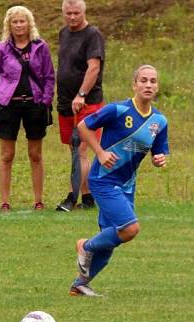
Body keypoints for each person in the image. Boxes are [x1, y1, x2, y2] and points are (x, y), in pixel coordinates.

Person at [70, 65, 168, 296]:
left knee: (113, 240)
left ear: (157, 87)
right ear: (134, 85)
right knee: (130, 229)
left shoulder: (159, 121)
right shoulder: (117, 110)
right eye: (143, 80)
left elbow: (159, 151)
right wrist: (100, 153)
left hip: (127, 185)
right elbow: (83, 126)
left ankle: (80, 284)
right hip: (103, 180)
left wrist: (160, 159)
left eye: (153, 81)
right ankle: (85, 246)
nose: (148, 85)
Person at [0, 5, 55, 212]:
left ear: (29, 23)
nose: (18, 25)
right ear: (9, 24)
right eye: (14, 21)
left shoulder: (40, 47)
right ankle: (5, 201)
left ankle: (38, 200)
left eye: (22, 21)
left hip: (35, 103)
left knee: (35, 154)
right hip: (9, 104)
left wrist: (45, 99)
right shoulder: (1, 48)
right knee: (7, 155)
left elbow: (49, 76)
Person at [55, 0, 105, 211]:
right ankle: (87, 198)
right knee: (74, 151)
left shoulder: (93, 35)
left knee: (82, 150)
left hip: (87, 102)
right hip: (66, 103)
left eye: (76, 13)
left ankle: (70, 197)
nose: (72, 17)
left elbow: (93, 68)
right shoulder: (64, 33)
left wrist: (81, 94)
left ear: (84, 12)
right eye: (68, 13)